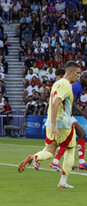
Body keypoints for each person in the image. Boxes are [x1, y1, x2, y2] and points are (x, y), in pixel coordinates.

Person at [18, 61, 81, 189]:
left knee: (49, 150)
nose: (78, 76)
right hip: (63, 123)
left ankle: (34, 157)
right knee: (71, 149)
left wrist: (51, 124)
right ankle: (63, 182)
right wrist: (54, 126)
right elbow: (56, 102)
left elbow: (52, 102)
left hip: (50, 121)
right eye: (77, 73)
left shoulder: (56, 84)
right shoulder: (66, 85)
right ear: (70, 71)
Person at [47, 70, 87, 172]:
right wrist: (84, 114)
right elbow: (71, 103)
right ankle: (76, 162)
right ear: (80, 77)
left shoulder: (79, 87)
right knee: (78, 136)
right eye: (85, 77)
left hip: (68, 114)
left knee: (76, 137)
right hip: (65, 114)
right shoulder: (76, 86)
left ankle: (57, 161)